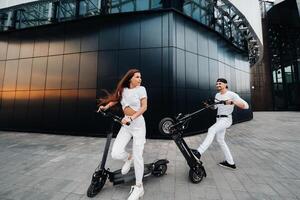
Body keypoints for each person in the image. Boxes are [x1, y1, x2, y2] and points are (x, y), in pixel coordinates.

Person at [98, 69, 147, 200]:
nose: (140, 79)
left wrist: (132, 118)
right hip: (126, 126)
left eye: (140, 77)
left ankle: (139, 187)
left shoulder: (141, 89)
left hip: (138, 126)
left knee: (138, 157)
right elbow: (115, 100)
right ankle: (128, 158)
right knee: (115, 153)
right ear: (130, 78)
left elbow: (144, 107)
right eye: (137, 77)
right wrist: (106, 106)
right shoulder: (123, 90)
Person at [195, 78, 249, 170]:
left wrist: (232, 102)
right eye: (216, 84)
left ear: (225, 84)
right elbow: (215, 107)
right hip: (219, 119)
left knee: (211, 129)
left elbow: (246, 106)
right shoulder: (217, 95)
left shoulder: (232, 94)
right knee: (220, 140)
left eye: (220, 83)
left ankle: (198, 152)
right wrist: (209, 105)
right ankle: (230, 163)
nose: (218, 85)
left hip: (226, 119)